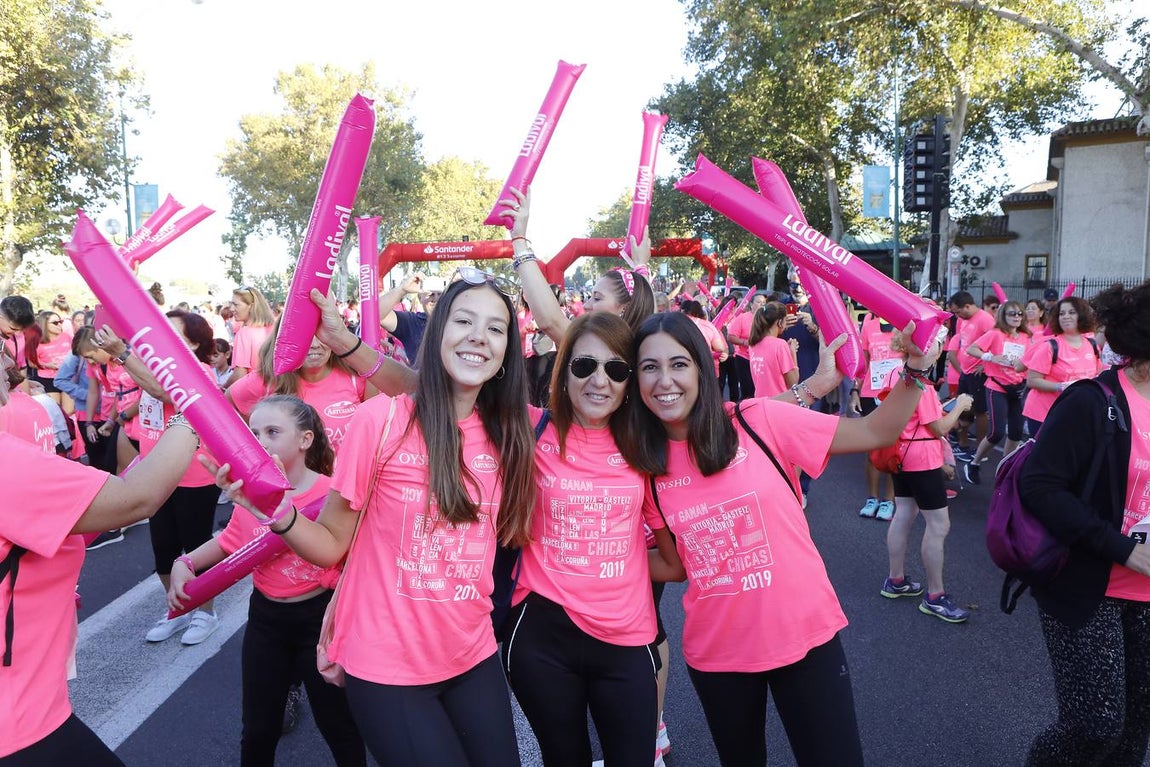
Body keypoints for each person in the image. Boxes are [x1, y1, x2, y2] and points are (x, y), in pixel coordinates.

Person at [207, 273, 536, 766]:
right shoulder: (379, 421)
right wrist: (272, 510)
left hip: (472, 652)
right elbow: (332, 544)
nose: (478, 337)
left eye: (495, 329)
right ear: (438, 331)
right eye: (464, 321)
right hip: (386, 663)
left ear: (508, 351)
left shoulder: (512, 433)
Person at [627, 311, 941, 766]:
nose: (664, 380)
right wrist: (603, 561)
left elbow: (877, 430)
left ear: (702, 367)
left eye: (678, 364)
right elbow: (675, 567)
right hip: (720, 654)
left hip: (805, 635)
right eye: (649, 367)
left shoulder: (758, 420)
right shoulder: (647, 465)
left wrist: (914, 372)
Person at [0, 346, 200, 766]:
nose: (10, 365)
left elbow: (76, 517)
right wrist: (195, 411)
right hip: (17, 724)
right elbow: (136, 500)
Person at [502, 312, 679, 767]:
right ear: (563, 374)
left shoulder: (646, 446)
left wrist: (618, 564)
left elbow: (672, 563)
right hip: (542, 635)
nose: (599, 381)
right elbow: (439, 394)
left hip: (626, 637)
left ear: (628, 384)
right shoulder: (530, 428)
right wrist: (349, 346)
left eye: (616, 370)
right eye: (584, 366)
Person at [169, 396, 365, 766]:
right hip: (265, 620)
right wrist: (186, 561)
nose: (259, 440)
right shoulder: (249, 493)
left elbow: (354, 555)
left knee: (338, 724)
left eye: (272, 432)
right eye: (253, 432)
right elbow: (229, 540)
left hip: (320, 622)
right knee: (258, 729)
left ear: (305, 440)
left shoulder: (330, 493)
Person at [1018, 280, 1150, 766]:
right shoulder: (1092, 401)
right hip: (1089, 584)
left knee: (1134, 735)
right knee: (1093, 728)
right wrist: (1122, 548)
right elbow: (1040, 487)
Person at [93, 312, 223, 645]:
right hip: (155, 477)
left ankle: (205, 613)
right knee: (163, 549)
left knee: (195, 547)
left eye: (175, 336)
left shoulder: (201, 372)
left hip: (194, 475)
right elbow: (144, 402)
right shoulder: (150, 370)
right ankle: (178, 608)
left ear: (194, 344)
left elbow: (167, 393)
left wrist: (122, 354)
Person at [880, 328, 976, 622]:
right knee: (938, 524)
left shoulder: (895, 372)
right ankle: (935, 596)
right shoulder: (919, 381)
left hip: (900, 453)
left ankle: (896, 580)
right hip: (921, 457)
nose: (939, 347)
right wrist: (959, 405)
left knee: (904, 513)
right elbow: (938, 427)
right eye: (936, 343)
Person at [226, 322, 378, 454]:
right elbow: (227, 403)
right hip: (292, 487)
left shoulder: (354, 377)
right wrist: (254, 440)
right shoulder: (269, 379)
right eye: (304, 334)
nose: (314, 344)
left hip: (347, 485)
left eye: (322, 334)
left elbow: (374, 433)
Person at [962, 301, 1035, 483]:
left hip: (1018, 388)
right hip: (997, 386)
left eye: (1019, 314)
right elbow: (971, 349)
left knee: (1017, 432)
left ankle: (1005, 468)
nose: (1016, 317)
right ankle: (974, 463)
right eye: (1012, 314)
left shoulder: (1026, 337)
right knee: (997, 432)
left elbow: (1031, 358)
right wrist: (990, 357)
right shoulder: (995, 334)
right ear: (1004, 315)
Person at [1021, 296, 1104, 435]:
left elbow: (1096, 376)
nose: (1066, 317)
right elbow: (1032, 380)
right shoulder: (1049, 346)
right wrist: (1060, 386)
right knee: (1045, 456)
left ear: (1082, 315)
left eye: (1071, 312)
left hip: (1076, 412)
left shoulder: (1093, 345)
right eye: (1062, 313)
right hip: (1045, 413)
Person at [857, 312, 900, 520]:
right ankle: (872, 498)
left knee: (893, 449)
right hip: (870, 392)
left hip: (896, 393)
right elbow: (865, 361)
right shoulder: (868, 321)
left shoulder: (903, 322)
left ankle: (889, 500)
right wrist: (854, 391)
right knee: (872, 448)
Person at [948, 290, 995, 459]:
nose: (956, 315)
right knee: (962, 406)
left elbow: (997, 342)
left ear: (967, 306)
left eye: (958, 311)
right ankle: (963, 443)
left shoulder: (985, 319)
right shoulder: (964, 319)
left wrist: (984, 365)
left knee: (980, 410)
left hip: (977, 374)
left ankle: (980, 449)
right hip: (965, 371)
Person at [226, 286, 276, 387]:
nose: (231, 308)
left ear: (251, 306)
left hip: (253, 398)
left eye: (236, 304)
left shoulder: (244, 334)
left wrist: (222, 388)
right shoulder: (275, 328)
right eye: (231, 304)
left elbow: (240, 375)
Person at [747, 301, 799, 397]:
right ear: (779, 322)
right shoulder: (780, 345)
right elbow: (793, 382)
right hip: (779, 403)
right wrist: (792, 352)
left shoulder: (753, 344)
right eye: (785, 319)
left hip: (761, 402)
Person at [726, 292, 767, 401]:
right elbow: (730, 336)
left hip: (762, 360)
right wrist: (745, 342)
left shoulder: (767, 319)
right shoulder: (743, 318)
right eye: (758, 302)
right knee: (747, 391)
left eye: (764, 303)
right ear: (751, 304)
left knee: (759, 391)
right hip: (744, 358)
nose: (761, 305)